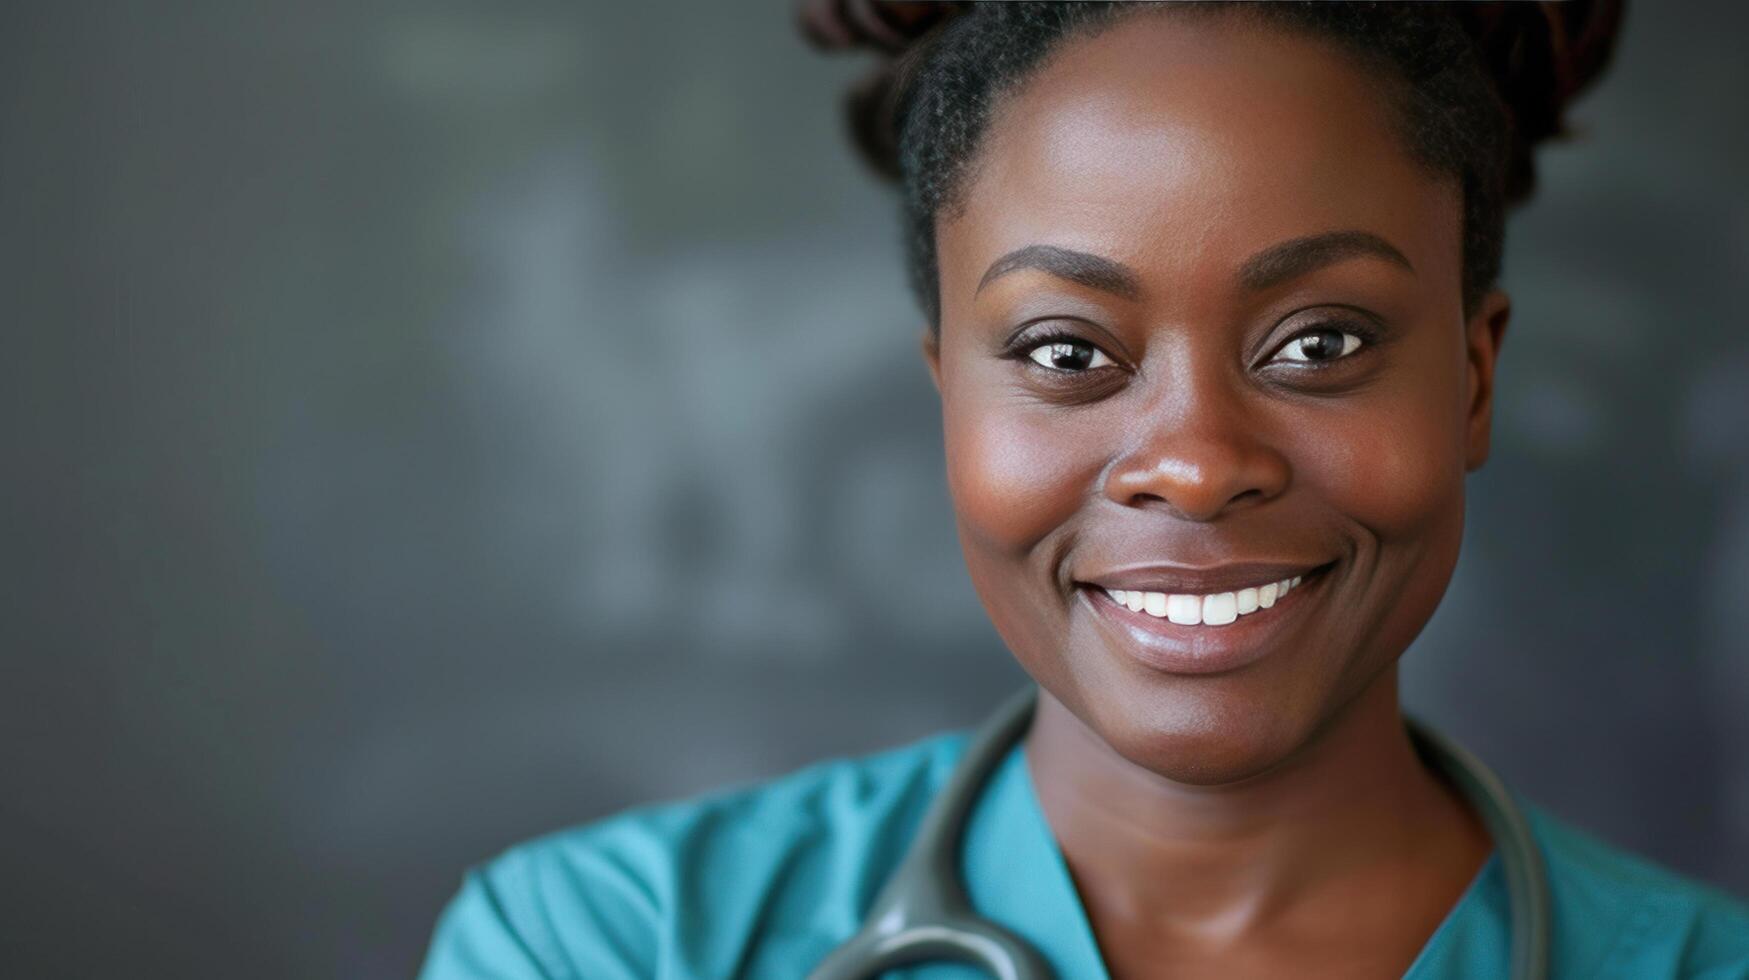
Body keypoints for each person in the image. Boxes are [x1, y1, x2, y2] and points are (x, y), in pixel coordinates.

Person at [416, 3, 1749, 977]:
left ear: (1469, 379)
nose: (1196, 458)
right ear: (945, 390)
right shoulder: (607, 944)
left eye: (1321, 342)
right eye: (1066, 353)